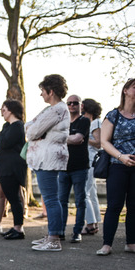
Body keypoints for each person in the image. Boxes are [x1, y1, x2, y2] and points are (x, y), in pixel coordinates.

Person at [25, 74, 70, 252]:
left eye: (43, 91)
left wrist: (34, 129)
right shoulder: (57, 109)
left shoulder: (56, 109)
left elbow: (31, 131)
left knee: (51, 199)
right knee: (52, 199)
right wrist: (33, 128)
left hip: (48, 159)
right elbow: (31, 127)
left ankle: (54, 239)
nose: (41, 95)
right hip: (49, 158)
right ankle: (53, 234)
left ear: (50, 91)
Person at [96, 78, 135, 256]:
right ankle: (107, 244)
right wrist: (121, 156)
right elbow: (104, 141)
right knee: (114, 205)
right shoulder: (113, 115)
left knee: (134, 206)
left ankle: (131, 243)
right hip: (118, 166)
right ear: (125, 91)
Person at [0, 99, 27, 239]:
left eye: (4, 109)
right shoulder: (7, 126)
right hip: (4, 166)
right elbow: (0, 144)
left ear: (11, 110)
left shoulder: (18, 126)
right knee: (11, 197)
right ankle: (15, 226)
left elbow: (4, 143)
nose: (2, 112)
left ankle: (18, 228)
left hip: (12, 167)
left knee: (14, 198)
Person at [58, 94, 90, 243]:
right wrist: (70, 139)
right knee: (61, 201)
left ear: (80, 105)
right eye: (69, 103)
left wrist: (62, 139)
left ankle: (77, 232)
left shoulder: (84, 121)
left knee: (80, 201)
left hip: (80, 167)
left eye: (75, 103)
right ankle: (61, 231)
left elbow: (78, 139)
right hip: (63, 167)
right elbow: (73, 139)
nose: (72, 106)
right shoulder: (63, 122)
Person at [81, 98, 102, 235]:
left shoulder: (95, 122)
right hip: (89, 160)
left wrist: (82, 138)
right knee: (91, 192)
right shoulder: (91, 122)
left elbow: (98, 142)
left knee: (84, 192)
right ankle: (94, 222)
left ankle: (89, 224)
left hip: (89, 160)